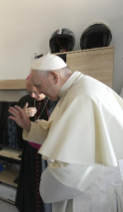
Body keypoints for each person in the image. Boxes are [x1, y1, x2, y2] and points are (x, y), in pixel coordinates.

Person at [9, 53, 123, 212]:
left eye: (39, 86)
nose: (38, 91)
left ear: (54, 77)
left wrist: (45, 183)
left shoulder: (83, 96)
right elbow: (58, 131)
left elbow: (71, 170)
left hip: (92, 191)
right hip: (88, 184)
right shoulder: (75, 90)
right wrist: (30, 126)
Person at [15, 77, 57, 212]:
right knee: (29, 183)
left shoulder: (56, 101)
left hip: (48, 153)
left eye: (36, 92)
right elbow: (13, 127)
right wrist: (23, 119)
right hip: (30, 152)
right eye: (29, 93)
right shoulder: (24, 101)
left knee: (45, 186)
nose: (33, 96)